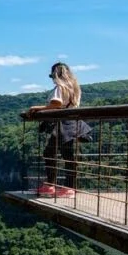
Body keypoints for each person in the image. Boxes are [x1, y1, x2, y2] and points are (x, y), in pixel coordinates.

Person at [26, 62, 89, 197]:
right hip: (72, 123)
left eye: (52, 75)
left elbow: (56, 104)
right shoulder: (75, 88)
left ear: (56, 74)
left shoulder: (60, 88)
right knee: (67, 155)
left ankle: (55, 186)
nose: (52, 79)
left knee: (51, 153)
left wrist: (37, 108)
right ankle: (65, 187)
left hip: (62, 124)